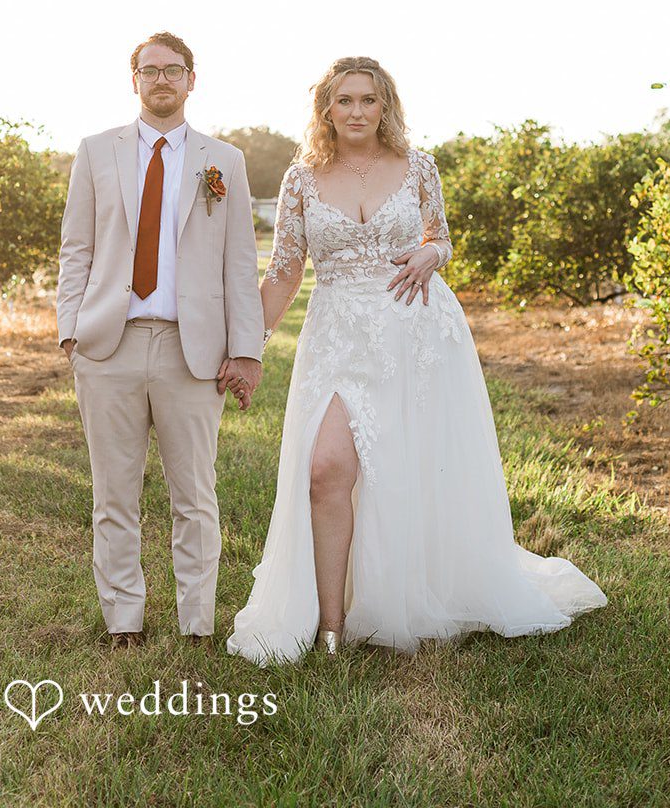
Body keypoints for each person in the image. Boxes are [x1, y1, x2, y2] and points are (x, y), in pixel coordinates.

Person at [224, 55, 608, 664]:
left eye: (368, 100)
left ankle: (406, 593)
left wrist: (433, 255)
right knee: (325, 468)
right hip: (337, 338)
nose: (356, 111)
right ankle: (330, 625)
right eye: (344, 100)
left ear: (385, 107)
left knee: (407, 469)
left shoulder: (417, 166)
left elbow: (441, 238)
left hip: (416, 332)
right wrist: (248, 348)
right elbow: (286, 272)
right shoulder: (300, 178)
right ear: (326, 108)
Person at [57, 32, 263, 646]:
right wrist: (70, 330)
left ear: (191, 80)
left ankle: (197, 623)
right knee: (113, 494)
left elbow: (239, 261)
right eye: (151, 71)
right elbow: (77, 247)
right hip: (108, 345)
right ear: (135, 80)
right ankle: (124, 621)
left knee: (194, 497)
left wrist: (246, 350)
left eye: (174, 70)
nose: (162, 80)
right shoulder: (97, 153)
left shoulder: (222, 159)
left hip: (190, 350)